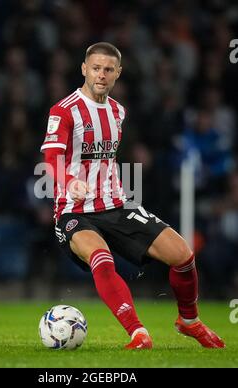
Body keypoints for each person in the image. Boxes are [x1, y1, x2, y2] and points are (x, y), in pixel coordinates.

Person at [40, 42, 225, 349]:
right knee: (102, 258)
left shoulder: (118, 112)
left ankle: (189, 321)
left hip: (117, 205)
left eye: (108, 69)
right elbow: (50, 159)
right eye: (96, 68)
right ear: (84, 69)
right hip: (74, 211)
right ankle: (138, 333)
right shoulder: (64, 110)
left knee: (183, 256)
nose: (101, 74)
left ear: (118, 74)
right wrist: (68, 180)